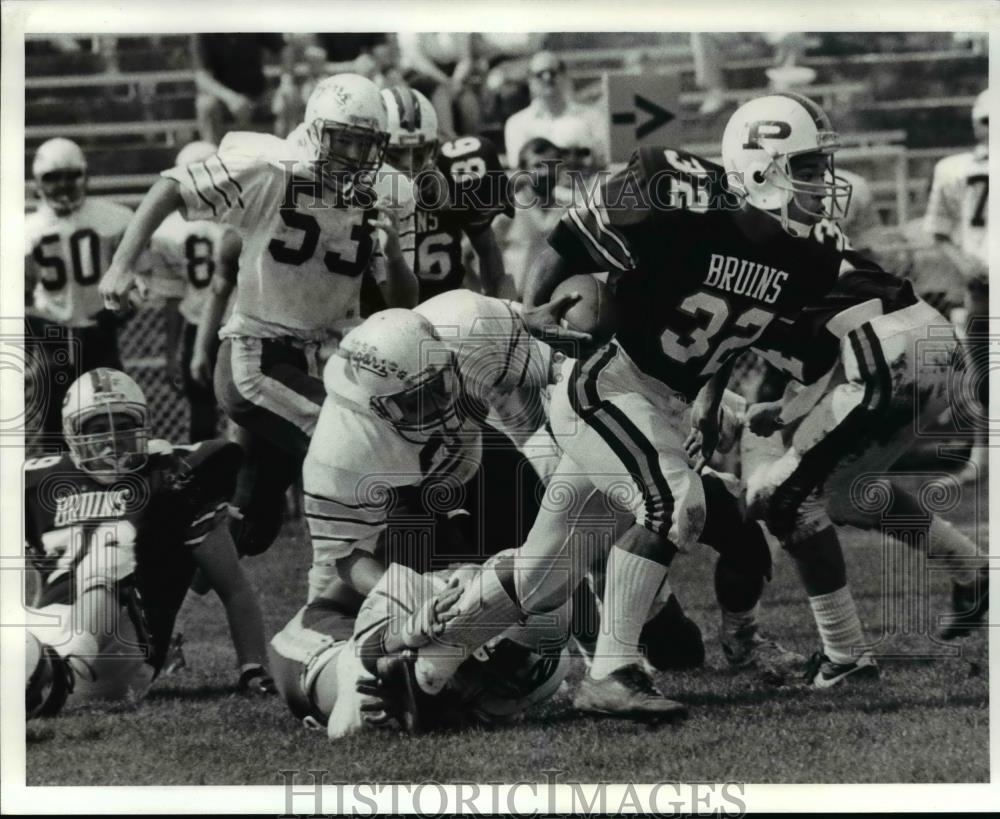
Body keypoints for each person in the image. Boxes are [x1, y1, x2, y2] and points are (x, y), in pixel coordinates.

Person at [404, 92, 866, 721]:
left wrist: (708, 400)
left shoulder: (808, 253)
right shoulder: (674, 190)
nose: (822, 184)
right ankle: (612, 672)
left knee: (547, 575)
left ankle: (422, 662)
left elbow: (739, 326)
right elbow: (566, 237)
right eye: (807, 167)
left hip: (663, 405)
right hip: (607, 383)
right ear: (759, 166)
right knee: (677, 504)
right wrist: (535, 310)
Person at [99, 74, 418, 560]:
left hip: (327, 356)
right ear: (314, 131)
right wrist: (121, 265)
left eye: (364, 144)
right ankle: (359, 581)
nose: (353, 156)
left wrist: (393, 257)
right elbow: (171, 186)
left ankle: (161, 572)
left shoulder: (387, 191)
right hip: (258, 356)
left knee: (253, 523)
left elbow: (403, 305)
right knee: (354, 439)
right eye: (342, 140)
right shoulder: (270, 168)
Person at [728, 265, 990, 684]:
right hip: (938, 347)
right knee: (847, 493)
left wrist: (778, 413)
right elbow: (827, 337)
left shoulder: (744, 253)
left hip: (890, 354)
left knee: (786, 501)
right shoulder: (804, 243)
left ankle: (845, 656)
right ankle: (973, 569)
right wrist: (786, 411)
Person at [24, 368, 274, 718]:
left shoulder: (172, 479)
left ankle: (53, 672)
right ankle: (36, 680)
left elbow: (234, 587)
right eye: (97, 429)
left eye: (124, 426)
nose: (112, 440)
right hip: (52, 628)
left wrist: (253, 668)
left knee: (109, 555)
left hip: (119, 654)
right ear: (72, 433)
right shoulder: (39, 481)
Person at [269, 559, 572, 738]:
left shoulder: (544, 666)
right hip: (322, 632)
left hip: (435, 609)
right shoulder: (424, 591)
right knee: (364, 687)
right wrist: (410, 629)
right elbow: (365, 652)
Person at [25, 138, 138, 449]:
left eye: (70, 175)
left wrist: (118, 312)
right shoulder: (25, 230)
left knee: (114, 422)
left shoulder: (115, 218)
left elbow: (138, 280)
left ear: (85, 176)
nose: (62, 185)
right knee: (55, 428)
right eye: (52, 177)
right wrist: (40, 324)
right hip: (53, 340)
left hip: (101, 335)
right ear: (37, 182)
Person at [366, 86, 514, 309]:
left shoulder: (457, 173)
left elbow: (488, 250)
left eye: (418, 152)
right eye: (395, 154)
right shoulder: (360, 192)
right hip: (380, 317)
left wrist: (502, 310)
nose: (408, 166)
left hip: (449, 310)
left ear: (434, 149)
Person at [142, 141, 242, 443]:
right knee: (212, 414)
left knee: (206, 416)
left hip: (211, 327)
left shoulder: (170, 229)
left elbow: (173, 301)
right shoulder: (242, 219)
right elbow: (173, 298)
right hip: (228, 326)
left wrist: (172, 352)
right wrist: (173, 353)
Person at [924, 88, 990, 484]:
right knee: (983, 374)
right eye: (986, 121)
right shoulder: (955, 168)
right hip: (981, 283)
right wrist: (965, 263)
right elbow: (940, 229)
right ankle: (982, 458)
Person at [502, 52, 607, 170]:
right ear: (530, 80)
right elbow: (518, 167)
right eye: (540, 74)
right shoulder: (516, 124)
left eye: (552, 72)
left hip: (583, 186)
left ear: (564, 75)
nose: (547, 78)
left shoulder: (592, 117)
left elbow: (604, 159)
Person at [192, 33, 290, 144]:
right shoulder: (204, 31)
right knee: (206, 105)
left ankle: (283, 155)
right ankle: (214, 156)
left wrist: (287, 82)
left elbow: (285, 49)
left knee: (288, 98)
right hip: (223, 101)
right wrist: (231, 99)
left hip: (260, 96)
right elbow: (202, 77)